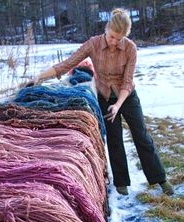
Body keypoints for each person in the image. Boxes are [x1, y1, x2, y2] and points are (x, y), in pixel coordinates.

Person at [31, 8, 174, 196]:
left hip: (127, 96)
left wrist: (118, 104)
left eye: (119, 38)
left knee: (142, 136)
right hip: (106, 97)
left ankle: (160, 178)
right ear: (107, 29)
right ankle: (122, 183)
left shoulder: (130, 48)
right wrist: (41, 76)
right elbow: (68, 63)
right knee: (114, 139)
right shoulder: (93, 44)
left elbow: (128, 81)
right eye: (112, 36)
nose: (115, 42)